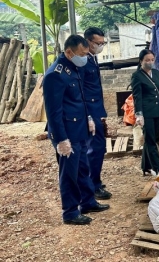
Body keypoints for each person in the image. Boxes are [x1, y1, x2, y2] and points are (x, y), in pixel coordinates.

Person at [43, 35, 110, 225]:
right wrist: (61, 139)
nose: (85, 57)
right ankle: (70, 212)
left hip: (79, 128)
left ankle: (87, 202)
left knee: (83, 168)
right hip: (66, 133)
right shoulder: (55, 75)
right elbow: (53, 112)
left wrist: (88, 117)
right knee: (69, 173)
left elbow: (80, 98)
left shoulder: (74, 68)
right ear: (69, 52)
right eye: (82, 54)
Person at [131, 49, 159, 176]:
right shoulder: (137, 76)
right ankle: (157, 169)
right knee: (150, 141)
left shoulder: (155, 73)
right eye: (147, 60)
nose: (150, 62)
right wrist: (139, 114)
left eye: (152, 60)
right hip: (146, 112)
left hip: (156, 111)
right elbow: (137, 96)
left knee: (152, 138)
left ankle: (146, 166)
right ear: (141, 61)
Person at [82, 27, 111, 200]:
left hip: (96, 109)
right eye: (98, 43)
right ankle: (93, 186)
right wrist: (88, 116)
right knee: (95, 148)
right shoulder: (84, 61)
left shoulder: (92, 58)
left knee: (98, 148)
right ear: (88, 42)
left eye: (103, 43)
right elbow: (82, 91)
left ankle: (94, 182)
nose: (101, 46)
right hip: (89, 111)